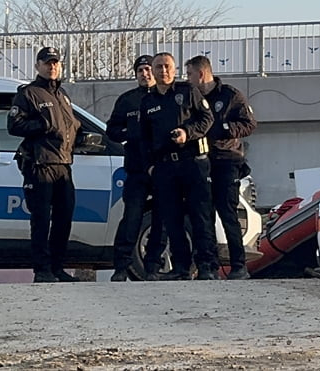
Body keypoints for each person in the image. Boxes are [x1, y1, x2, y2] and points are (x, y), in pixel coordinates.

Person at [139, 52, 218, 281]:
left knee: (200, 217)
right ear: (152, 71)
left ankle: (206, 266)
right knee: (171, 219)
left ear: (174, 70)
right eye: (158, 67)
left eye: (167, 67)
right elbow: (143, 139)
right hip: (164, 167)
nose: (163, 71)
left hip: (192, 162)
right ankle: (181, 267)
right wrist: (150, 167)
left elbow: (207, 119)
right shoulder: (148, 101)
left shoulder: (187, 92)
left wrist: (187, 133)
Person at [8, 46, 82, 283]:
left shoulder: (63, 95)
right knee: (41, 220)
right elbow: (14, 125)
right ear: (38, 66)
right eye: (47, 63)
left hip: (63, 164)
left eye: (56, 63)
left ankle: (57, 267)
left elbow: (70, 126)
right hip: (39, 164)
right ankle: (42, 270)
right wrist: (41, 126)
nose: (52, 67)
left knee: (64, 217)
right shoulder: (29, 94)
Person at [186, 55, 257, 280]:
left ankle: (238, 265)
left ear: (201, 73)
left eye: (189, 74)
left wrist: (222, 128)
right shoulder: (189, 98)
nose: (187, 79)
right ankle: (208, 266)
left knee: (228, 214)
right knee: (203, 215)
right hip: (200, 161)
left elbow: (249, 124)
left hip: (226, 160)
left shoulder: (230, 95)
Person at [105, 54, 166, 281]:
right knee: (131, 218)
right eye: (140, 70)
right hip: (136, 169)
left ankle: (152, 268)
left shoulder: (166, 97)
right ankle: (121, 267)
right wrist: (131, 133)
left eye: (149, 69)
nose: (145, 74)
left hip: (161, 169)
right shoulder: (127, 100)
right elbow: (112, 131)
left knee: (160, 220)